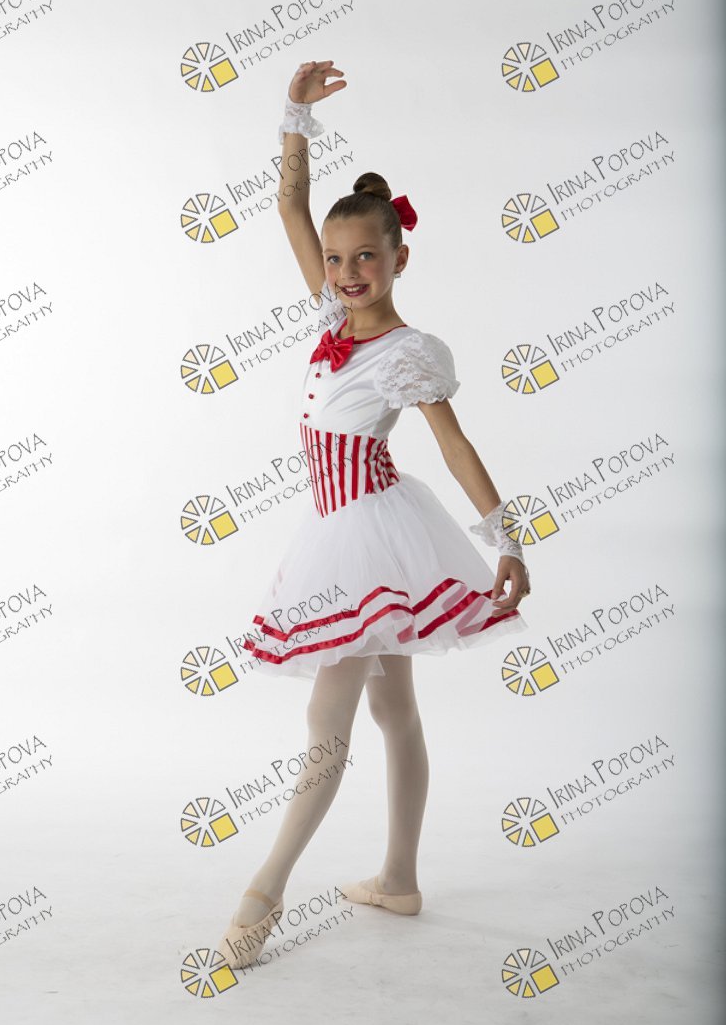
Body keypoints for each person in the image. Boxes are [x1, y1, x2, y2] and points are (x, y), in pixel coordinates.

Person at [217, 60, 531, 969]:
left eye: (367, 257)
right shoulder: (328, 320)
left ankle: (264, 892)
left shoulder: (408, 351)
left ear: (399, 259)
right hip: (341, 531)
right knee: (395, 710)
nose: (349, 272)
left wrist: (505, 538)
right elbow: (289, 204)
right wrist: (294, 114)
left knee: (328, 721)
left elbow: (454, 445)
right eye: (338, 257)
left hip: (372, 535)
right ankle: (399, 879)